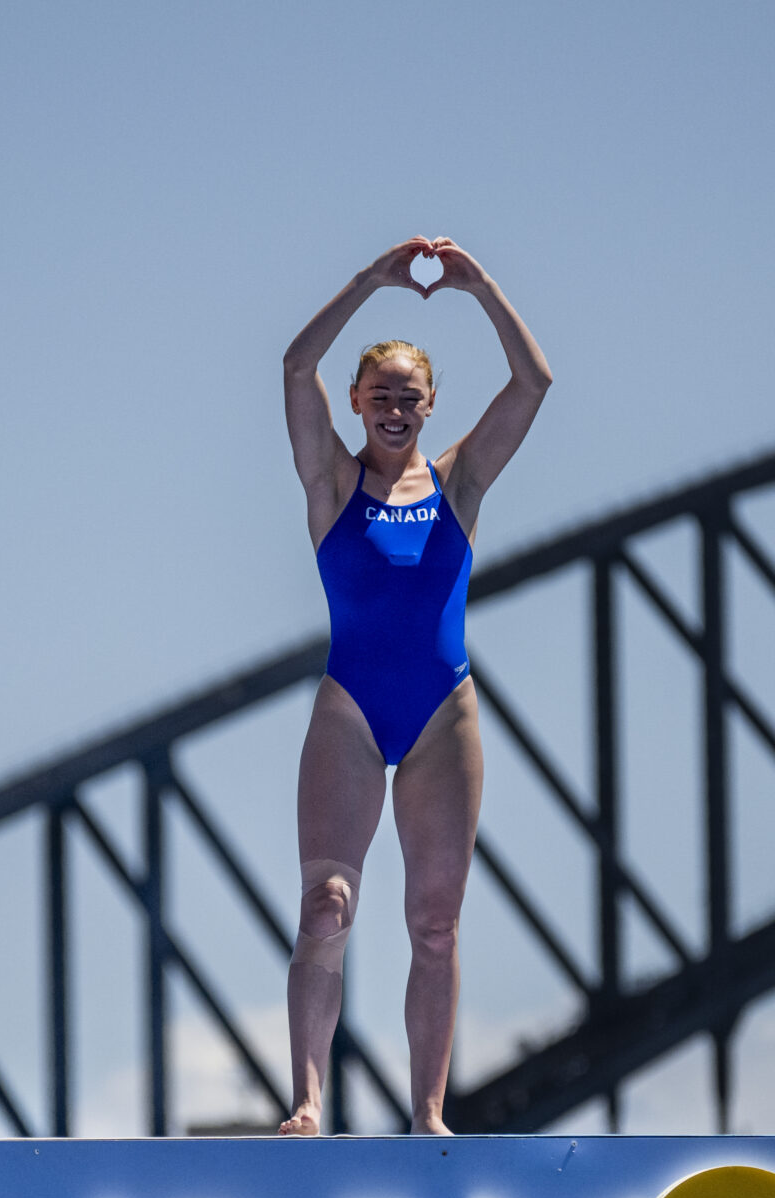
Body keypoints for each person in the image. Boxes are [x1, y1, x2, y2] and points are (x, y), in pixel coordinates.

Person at [278, 237, 553, 1135]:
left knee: (435, 921)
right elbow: (296, 362)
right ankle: (309, 1099)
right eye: (380, 394)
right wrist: (367, 281)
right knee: (328, 902)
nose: (395, 408)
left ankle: (428, 1113)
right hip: (351, 708)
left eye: (410, 395)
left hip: (444, 710)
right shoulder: (329, 481)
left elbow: (533, 385)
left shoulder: (459, 481)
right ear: (357, 404)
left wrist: (480, 288)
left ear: (433, 405)